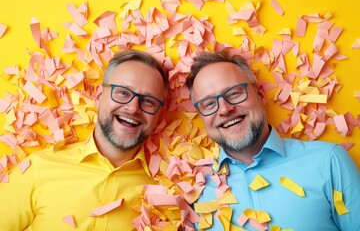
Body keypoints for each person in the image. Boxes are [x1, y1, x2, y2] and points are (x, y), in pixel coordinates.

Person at [186, 50, 360, 230]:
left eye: (234, 93)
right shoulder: (195, 190)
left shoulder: (329, 161)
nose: (224, 109)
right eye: (209, 104)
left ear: (260, 94)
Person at [0, 50, 169, 230]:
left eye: (149, 101)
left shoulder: (164, 194)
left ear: (159, 115)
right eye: (122, 93)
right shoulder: (38, 168)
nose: (133, 107)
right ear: (98, 96)